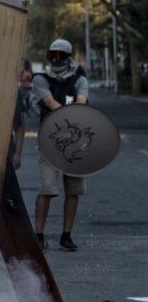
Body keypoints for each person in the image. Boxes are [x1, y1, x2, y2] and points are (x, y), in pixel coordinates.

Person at [32, 39, 89, 251]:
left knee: (73, 190)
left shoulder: (79, 80)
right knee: (47, 188)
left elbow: (82, 102)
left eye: (60, 56)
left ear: (67, 57)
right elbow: (49, 103)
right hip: (49, 141)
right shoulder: (41, 79)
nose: (56, 60)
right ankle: (38, 234)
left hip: (75, 143)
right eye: (52, 55)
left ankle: (66, 235)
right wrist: (71, 114)